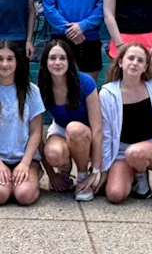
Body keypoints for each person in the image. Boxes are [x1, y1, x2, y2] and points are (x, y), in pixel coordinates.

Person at [98, 42, 152, 203]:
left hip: (151, 147)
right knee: (115, 194)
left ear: (145, 67)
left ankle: (141, 174)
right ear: (121, 62)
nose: (134, 63)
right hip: (122, 151)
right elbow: (106, 135)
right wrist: (104, 169)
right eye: (130, 58)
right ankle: (134, 174)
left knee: (136, 153)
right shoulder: (107, 93)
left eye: (140, 60)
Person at [0, 40, 44, 206]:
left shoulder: (32, 91)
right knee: (0, 195)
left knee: (24, 196)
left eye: (10, 59)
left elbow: (36, 133)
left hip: (25, 158)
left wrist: (25, 163)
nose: (5, 64)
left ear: (17, 61)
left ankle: (34, 174)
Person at [38, 39, 102, 201]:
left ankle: (82, 176)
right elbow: (36, 136)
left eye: (62, 58)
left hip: (85, 132)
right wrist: (51, 176)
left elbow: (98, 129)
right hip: (60, 128)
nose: (57, 62)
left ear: (69, 60)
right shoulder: (42, 86)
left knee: (74, 129)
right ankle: (65, 171)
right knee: (53, 153)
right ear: (46, 62)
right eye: (52, 58)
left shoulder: (85, 82)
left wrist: (95, 170)